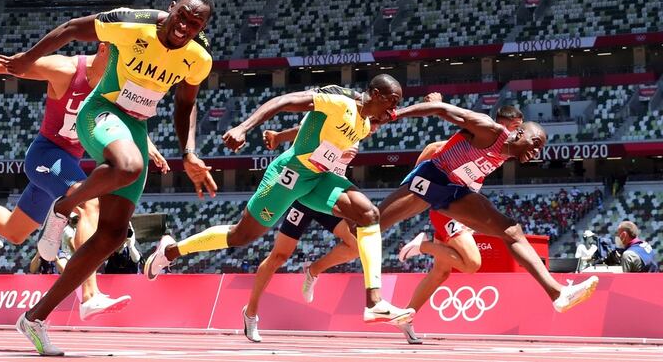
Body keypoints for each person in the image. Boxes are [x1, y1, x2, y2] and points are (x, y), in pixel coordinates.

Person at [1, 0, 218, 356]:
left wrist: (189, 151)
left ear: (202, 27)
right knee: (130, 165)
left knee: (113, 235)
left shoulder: (198, 59)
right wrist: (27, 59)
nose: (184, 26)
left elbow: (185, 106)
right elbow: (71, 29)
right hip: (100, 111)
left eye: (194, 23)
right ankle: (63, 207)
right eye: (182, 15)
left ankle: (35, 318)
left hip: (135, 127)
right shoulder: (131, 23)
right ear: (172, 8)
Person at [0, 44, 152, 323]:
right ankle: (90, 295)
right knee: (89, 205)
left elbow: (125, 121)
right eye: (121, 56)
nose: (125, 64)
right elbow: (12, 65)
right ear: (104, 48)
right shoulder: (66, 69)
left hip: (64, 165)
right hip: (45, 156)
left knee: (14, 231)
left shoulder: (114, 84)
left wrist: (147, 146)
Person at [145, 76, 416, 327]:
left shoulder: (365, 124)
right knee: (240, 236)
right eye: (392, 102)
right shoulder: (339, 101)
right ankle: (170, 251)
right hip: (289, 175)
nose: (394, 109)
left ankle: (374, 302)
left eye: (398, 105)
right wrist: (244, 127)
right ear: (376, 94)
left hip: (319, 181)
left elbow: (310, 132)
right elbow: (283, 101)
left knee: (369, 214)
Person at [308, 105, 526, 343]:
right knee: (472, 263)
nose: (517, 133)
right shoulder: (487, 136)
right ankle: (423, 244)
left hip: (461, 204)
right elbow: (434, 148)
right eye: (514, 128)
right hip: (448, 204)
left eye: (519, 129)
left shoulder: (505, 150)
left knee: (441, 272)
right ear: (502, 124)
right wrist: (418, 184)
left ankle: (407, 318)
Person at [369, 101, 598, 314]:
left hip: (456, 192)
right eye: (535, 144)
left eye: (540, 149)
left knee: (512, 231)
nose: (537, 152)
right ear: (518, 132)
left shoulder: (507, 153)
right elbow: (441, 110)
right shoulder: (489, 130)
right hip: (432, 179)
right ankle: (373, 295)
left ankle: (558, 293)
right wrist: (397, 114)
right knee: (369, 228)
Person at [240, 93, 360, 343]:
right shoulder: (340, 114)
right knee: (279, 256)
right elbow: (305, 129)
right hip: (305, 189)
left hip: (329, 192)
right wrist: (279, 136)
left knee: (356, 244)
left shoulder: (363, 126)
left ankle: (313, 270)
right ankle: (251, 312)